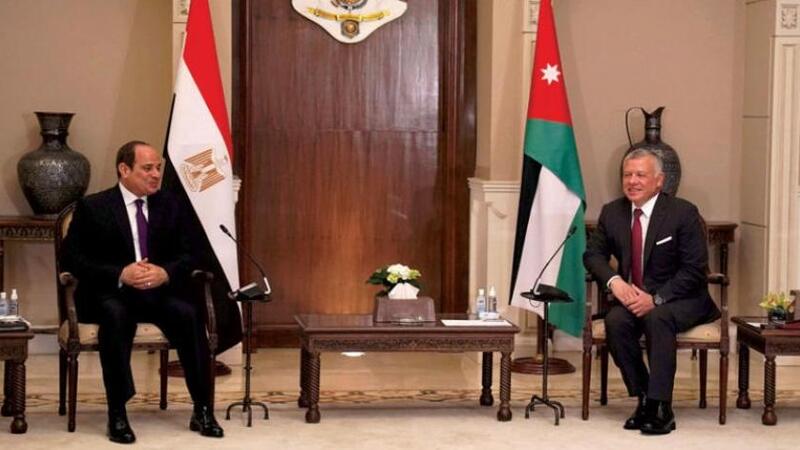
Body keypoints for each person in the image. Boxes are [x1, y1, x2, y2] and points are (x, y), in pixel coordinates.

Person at [62, 140, 224, 443]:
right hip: (112, 293)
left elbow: (194, 253)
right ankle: (117, 413)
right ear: (124, 170)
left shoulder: (172, 205)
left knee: (189, 314)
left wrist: (165, 272)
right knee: (115, 316)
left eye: (158, 168)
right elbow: (72, 258)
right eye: (147, 168)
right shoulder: (94, 207)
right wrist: (120, 273)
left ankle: (202, 408)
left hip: (158, 292)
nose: (156, 175)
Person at [583, 148, 720, 435]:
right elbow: (592, 255)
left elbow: (694, 269)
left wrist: (656, 299)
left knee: (658, 317)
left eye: (640, 175)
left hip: (682, 298)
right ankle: (645, 398)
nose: (632, 181)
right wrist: (615, 282)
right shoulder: (612, 212)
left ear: (659, 181)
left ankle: (661, 407)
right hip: (635, 297)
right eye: (627, 175)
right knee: (615, 321)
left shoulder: (683, 212)